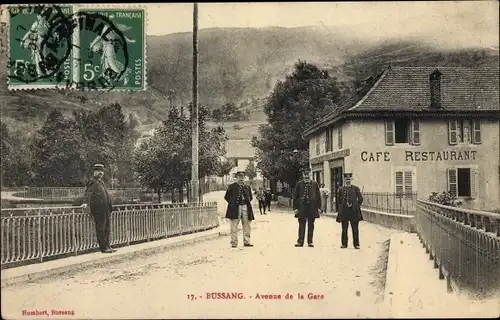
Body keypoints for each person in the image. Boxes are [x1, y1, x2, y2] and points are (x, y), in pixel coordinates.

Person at [81, 164, 116, 253]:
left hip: (106, 209)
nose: (100, 173)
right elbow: (88, 193)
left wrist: (110, 205)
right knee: (101, 228)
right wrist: (85, 203)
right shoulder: (92, 181)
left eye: (101, 171)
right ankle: (103, 248)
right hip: (98, 210)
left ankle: (108, 246)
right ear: (94, 172)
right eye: (98, 171)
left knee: (107, 228)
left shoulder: (101, 182)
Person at [224, 171, 255, 248]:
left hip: (245, 207)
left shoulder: (247, 187)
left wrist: (245, 203)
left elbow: (250, 197)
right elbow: (227, 197)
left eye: (242, 177)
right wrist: (232, 204)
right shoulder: (232, 186)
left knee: (247, 225)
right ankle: (234, 242)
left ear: (244, 177)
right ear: (237, 177)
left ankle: (247, 242)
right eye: (239, 176)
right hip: (235, 208)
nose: (241, 178)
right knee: (234, 226)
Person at [293, 167, 322, 247]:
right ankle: (300, 241)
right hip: (302, 208)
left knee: (311, 224)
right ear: (303, 175)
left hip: (312, 208)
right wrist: (295, 208)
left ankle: (310, 241)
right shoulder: (299, 184)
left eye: (308, 175)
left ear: (310, 175)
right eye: (305, 175)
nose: (306, 177)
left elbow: (318, 196)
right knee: (301, 224)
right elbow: (295, 196)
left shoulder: (315, 184)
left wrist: (319, 207)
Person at [336, 173, 364, 249]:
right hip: (344, 212)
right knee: (344, 229)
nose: (347, 181)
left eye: (349, 179)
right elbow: (339, 201)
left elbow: (361, 199)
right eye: (346, 179)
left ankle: (356, 244)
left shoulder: (356, 189)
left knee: (355, 229)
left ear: (351, 180)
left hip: (353, 212)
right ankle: (344, 244)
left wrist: (356, 206)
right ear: (344, 180)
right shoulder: (340, 189)